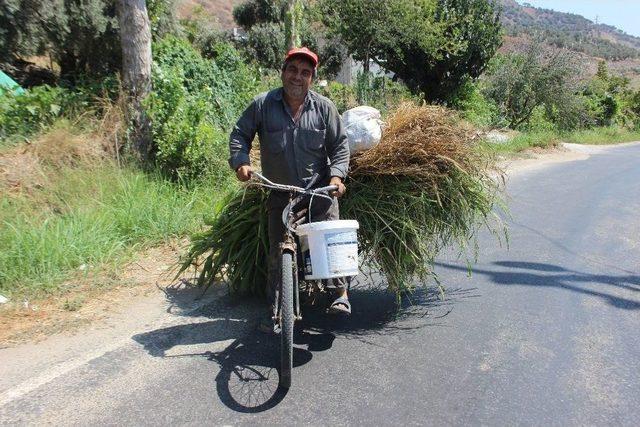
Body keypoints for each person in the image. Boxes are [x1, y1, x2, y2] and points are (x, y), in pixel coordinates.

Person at [228, 47, 351, 331]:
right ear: (283, 72)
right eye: (293, 70)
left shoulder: (324, 108)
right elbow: (239, 134)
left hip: (319, 193)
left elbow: (340, 146)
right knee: (277, 253)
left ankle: (340, 294)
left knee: (329, 242)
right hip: (280, 192)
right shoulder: (262, 105)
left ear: (312, 78)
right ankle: (277, 309)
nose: (298, 76)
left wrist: (336, 178)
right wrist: (241, 163)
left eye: (305, 72)